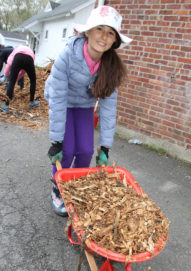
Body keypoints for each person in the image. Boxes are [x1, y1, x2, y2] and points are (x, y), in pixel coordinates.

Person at [45, 5, 132, 216]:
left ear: (114, 40)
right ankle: (58, 189)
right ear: (88, 31)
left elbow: (109, 110)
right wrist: (56, 140)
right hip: (62, 101)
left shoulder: (111, 68)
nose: (103, 36)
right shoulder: (67, 56)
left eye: (110, 32)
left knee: (84, 150)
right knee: (66, 149)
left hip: (83, 105)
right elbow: (57, 98)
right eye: (99, 29)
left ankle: (75, 188)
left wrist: (105, 148)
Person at [0, 45, 40, 113]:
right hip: (29, 59)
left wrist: (6, 76)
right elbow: (22, 72)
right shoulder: (30, 51)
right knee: (33, 80)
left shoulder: (15, 50)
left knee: (11, 82)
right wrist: (16, 79)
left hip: (18, 57)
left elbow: (9, 63)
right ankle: (32, 102)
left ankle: (6, 106)